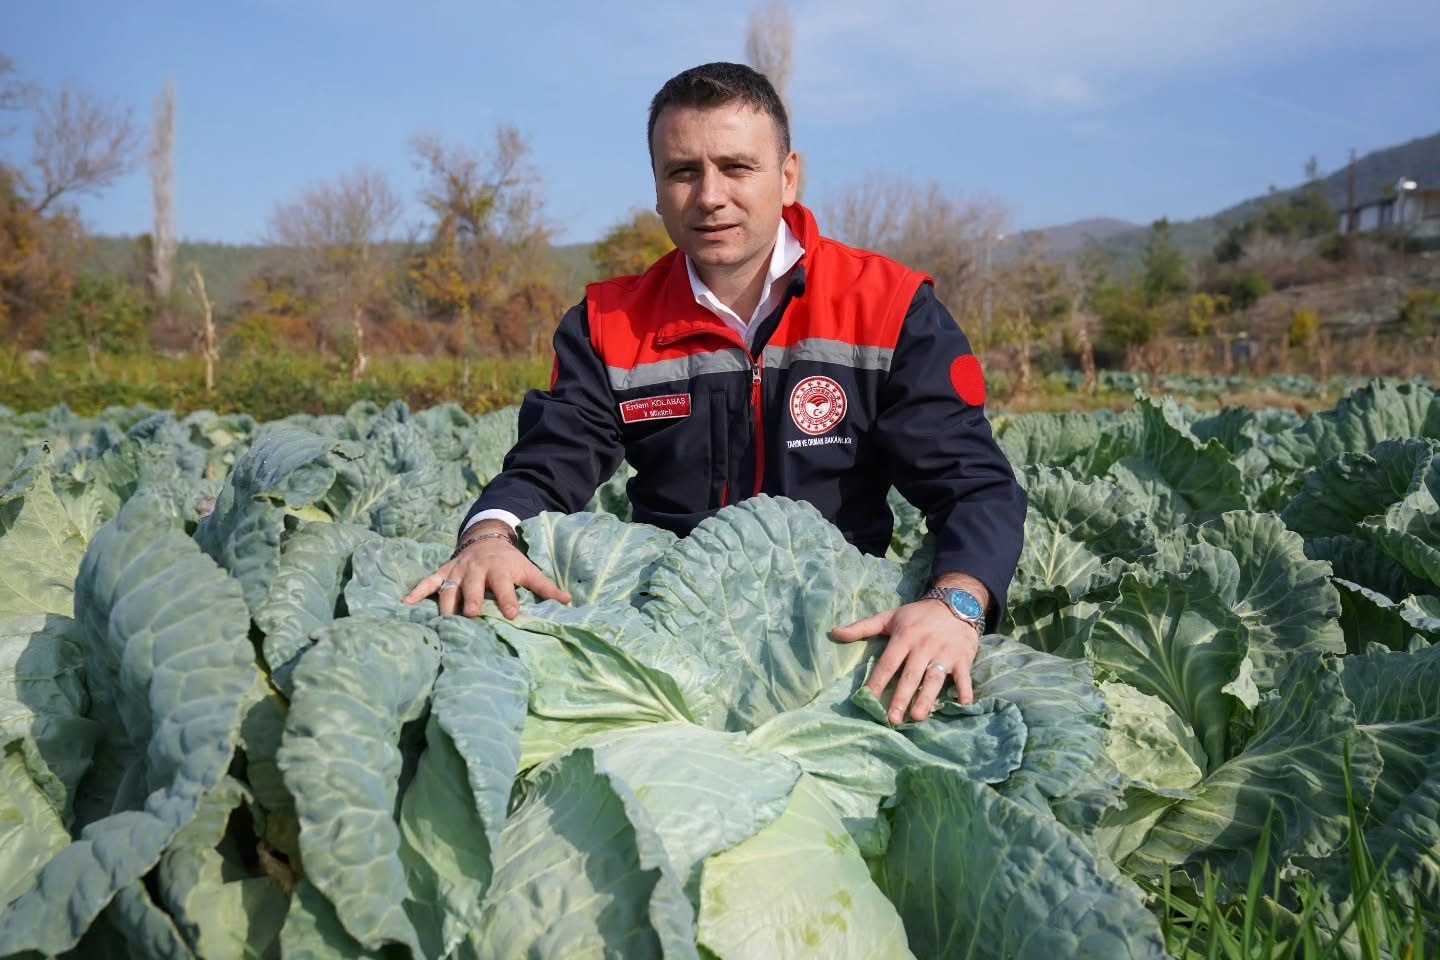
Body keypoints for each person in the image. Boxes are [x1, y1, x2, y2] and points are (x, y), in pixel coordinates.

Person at [404, 62, 1026, 727]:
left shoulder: (889, 307)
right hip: (664, 646)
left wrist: (957, 604)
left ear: (788, 176)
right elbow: (548, 464)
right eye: (682, 171)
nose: (709, 196)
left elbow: (973, 485)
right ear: (657, 189)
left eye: (736, 168)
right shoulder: (608, 324)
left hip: (835, 650)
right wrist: (489, 536)